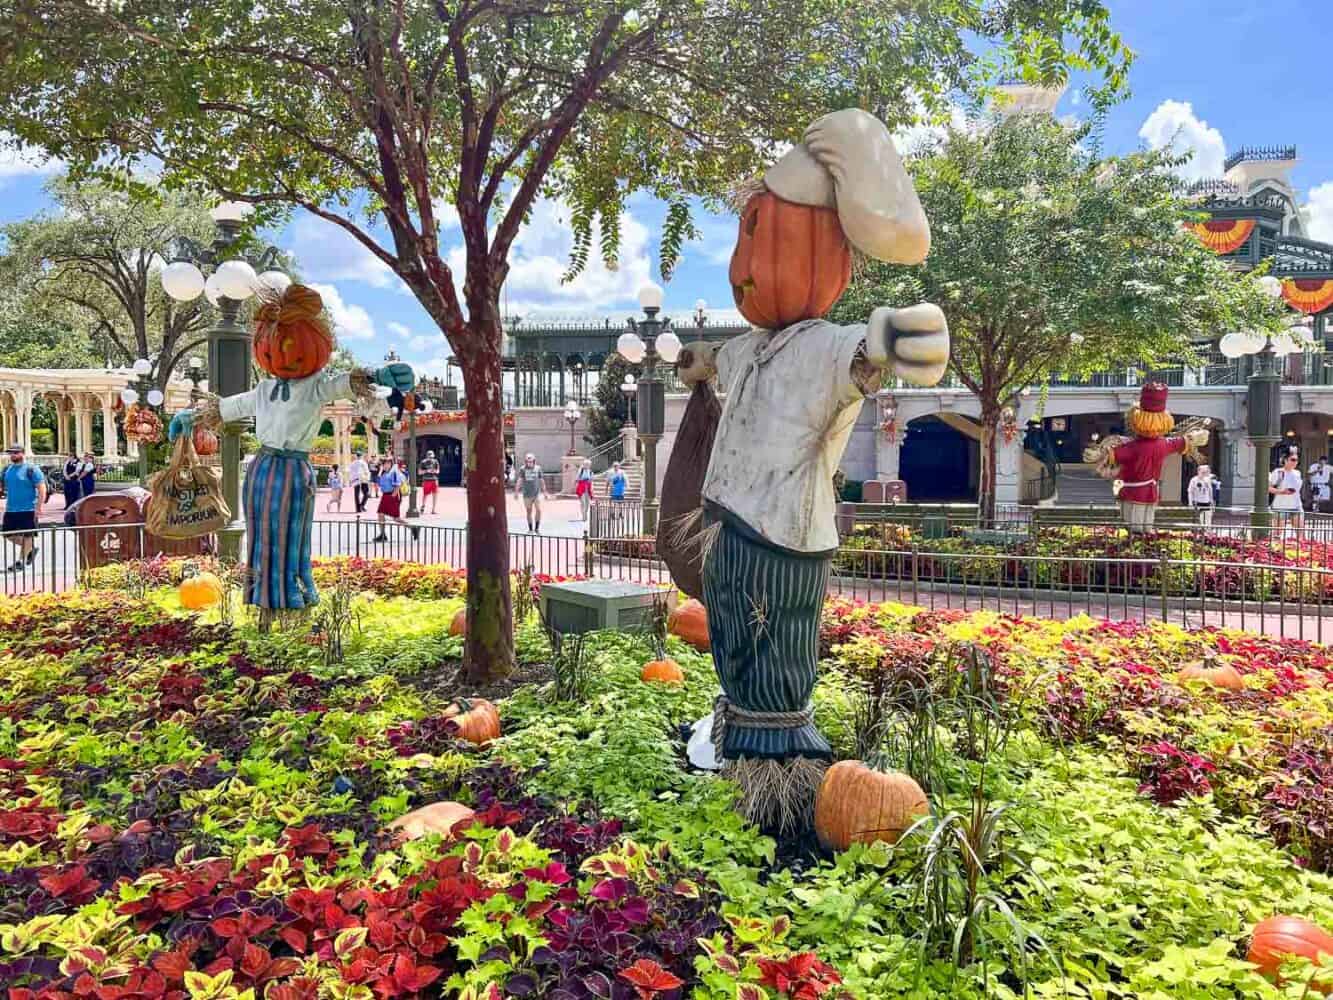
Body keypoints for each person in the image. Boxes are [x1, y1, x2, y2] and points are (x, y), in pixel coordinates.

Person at [168, 283, 415, 628]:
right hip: (261, 471)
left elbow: (345, 382)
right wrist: (191, 417)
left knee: (288, 535)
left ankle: (291, 601)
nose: (278, 354)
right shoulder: (266, 388)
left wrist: (377, 374)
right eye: (268, 347)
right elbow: (232, 405)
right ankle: (262, 603)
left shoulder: (316, 386)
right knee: (260, 536)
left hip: (293, 471)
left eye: (287, 345)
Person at [2, 443, 47, 572]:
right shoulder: (7, 470)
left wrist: (38, 507)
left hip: (28, 509)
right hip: (11, 509)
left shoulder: (31, 469)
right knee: (7, 534)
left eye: (15, 453)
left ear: (22, 453)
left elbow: (42, 489)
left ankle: (20, 562)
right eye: (11, 453)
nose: (13, 455)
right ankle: (30, 549)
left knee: (28, 535)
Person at [375, 456, 419, 542]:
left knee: (396, 518)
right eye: (384, 464)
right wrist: (380, 471)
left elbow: (397, 485)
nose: (385, 465)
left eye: (387, 463)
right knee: (380, 514)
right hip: (386, 496)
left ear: (390, 464)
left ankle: (413, 528)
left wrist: (392, 497)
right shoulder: (384, 473)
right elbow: (378, 483)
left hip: (393, 496)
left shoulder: (394, 472)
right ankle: (382, 535)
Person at [1270, 450, 1305, 530]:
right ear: (1285, 460)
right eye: (1293, 460)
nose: (1295, 462)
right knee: (1277, 534)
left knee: (1300, 533)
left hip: (1296, 505)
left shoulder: (1297, 473)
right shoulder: (1278, 472)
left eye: (1297, 460)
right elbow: (1269, 488)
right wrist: (1282, 492)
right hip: (1280, 506)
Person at [515, 453, 546, 533]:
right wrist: (516, 492)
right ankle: (530, 528)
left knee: (539, 510)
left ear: (534, 461)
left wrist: (545, 492)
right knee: (529, 511)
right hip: (527, 494)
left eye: (531, 461)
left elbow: (541, 480)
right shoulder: (523, 469)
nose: (529, 463)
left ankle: (537, 527)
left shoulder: (538, 468)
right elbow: (520, 480)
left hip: (536, 494)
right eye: (527, 461)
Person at [418, 449, 440, 515]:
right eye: (429, 456)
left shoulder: (435, 462)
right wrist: (426, 471)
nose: (430, 458)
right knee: (425, 495)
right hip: (426, 480)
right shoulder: (423, 462)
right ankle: (423, 506)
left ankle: (433, 509)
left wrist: (434, 471)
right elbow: (419, 472)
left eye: (431, 457)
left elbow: (438, 471)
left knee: (435, 495)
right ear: (427, 456)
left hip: (434, 480)